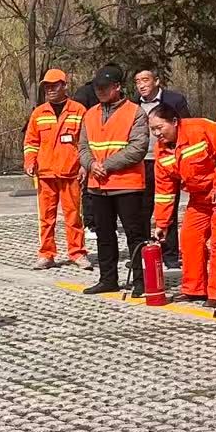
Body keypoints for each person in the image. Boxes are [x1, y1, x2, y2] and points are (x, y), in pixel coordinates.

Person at [149, 103, 216, 302]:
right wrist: (162, 223)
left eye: (160, 128)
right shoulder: (161, 150)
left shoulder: (201, 129)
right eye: (153, 129)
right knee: (189, 239)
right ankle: (194, 289)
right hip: (198, 199)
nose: (157, 134)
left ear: (174, 122)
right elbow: (164, 191)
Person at [79, 65, 149, 296]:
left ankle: (141, 281)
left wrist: (105, 165)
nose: (99, 91)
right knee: (104, 235)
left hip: (127, 185)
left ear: (117, 87)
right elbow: (82, 147)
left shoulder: (135, 112)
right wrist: (91, 165)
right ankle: (108, 279)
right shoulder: (90, 114)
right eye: (97, 87)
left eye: (104, 87)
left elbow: (137, 148)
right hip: (98, 186)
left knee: (135, 235)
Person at [23, 70, 89, 270]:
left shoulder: (79, 111)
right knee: (46, 217)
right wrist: (30, 161)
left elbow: (85, 143)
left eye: (54, 85)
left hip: (71, 173)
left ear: (64, 86)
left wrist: (84, 165)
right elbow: (31, 142)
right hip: (45, 173)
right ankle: (46, 255)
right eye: (47, 86)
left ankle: (77, 253)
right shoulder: (38, 113)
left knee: (74, 216)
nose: (50, 89)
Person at [134, 68, 190, 265]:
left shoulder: (174, 100)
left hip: (168, 160)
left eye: (145, 80)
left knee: (169, 206)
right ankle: (143, 252)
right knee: (142, 209)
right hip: (142, 162)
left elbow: (185, 128)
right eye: (137, 81)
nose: (141, 85)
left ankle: (170, 254)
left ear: (156, 81)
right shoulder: (133, 105)